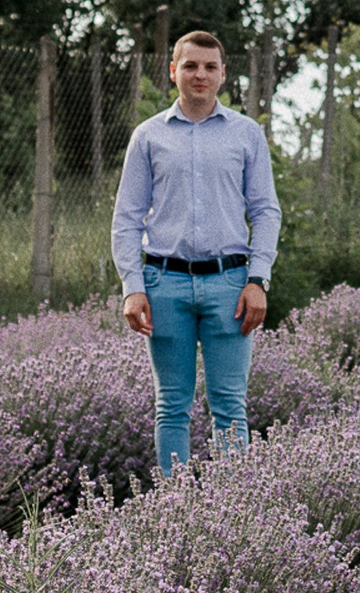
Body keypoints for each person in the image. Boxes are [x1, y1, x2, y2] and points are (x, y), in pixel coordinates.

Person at [112, 30, 280, 471]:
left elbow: (266, 211)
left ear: (223, 74)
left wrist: (257, 280)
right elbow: (127, 218)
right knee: (171, 406)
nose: (199, 75)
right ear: (173, 72)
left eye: (209, 67)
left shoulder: (247, 135)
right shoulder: (148, 137)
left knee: (230, 408)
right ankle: (176, 510)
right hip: (163, 284)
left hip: (230, 286)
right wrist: (133, 287)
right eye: (190, 66)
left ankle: (234, 509)